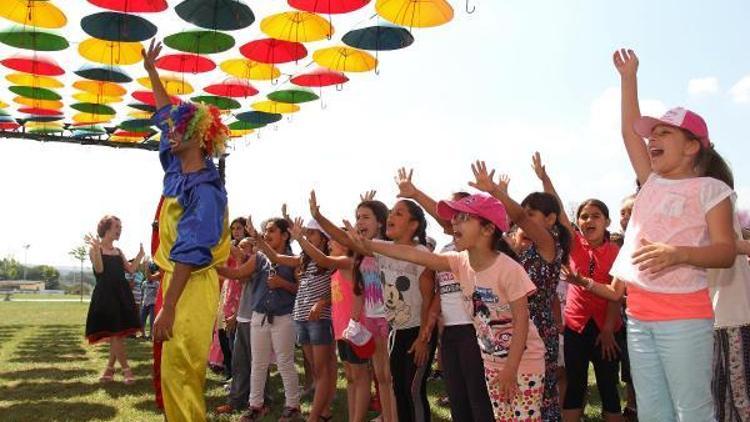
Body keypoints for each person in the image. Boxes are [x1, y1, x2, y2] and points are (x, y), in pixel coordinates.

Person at [568, 49, 736, 422]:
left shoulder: (711, 190)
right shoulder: (651, 181)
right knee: (653, 411)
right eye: (652, 135)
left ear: (692, 145)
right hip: (639, 315)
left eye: (664, 133)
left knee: (692, 410)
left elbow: (725, 251)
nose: (651, 140)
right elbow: (629, 132)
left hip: (684, 316)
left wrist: (679, 253)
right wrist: (629, 79)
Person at [345, 168, 546, 420]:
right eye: (455, 218)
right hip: (492, 361)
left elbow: (522, 322)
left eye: (463, 219)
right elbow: (415, 255)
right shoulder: (459, 261)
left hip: (523, 362)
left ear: (486, 230)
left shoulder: (508, 269)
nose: (454, 223)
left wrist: (511, 367)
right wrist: (369, 245)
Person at [142, 40, 232, 422]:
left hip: (191, 285)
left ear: (198, 139)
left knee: (181, 369)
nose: (169, 134)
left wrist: (171, 307)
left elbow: (191, 251)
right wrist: (151, 70)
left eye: (178, 130)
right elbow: (165, 113)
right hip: (174, 282)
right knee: (171, 370)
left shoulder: (206, 192)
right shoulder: (178, 171)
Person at [393, 169, 494, 422]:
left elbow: (443, 221)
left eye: (460, 214)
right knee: (457, 398)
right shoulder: (448, 251)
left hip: (474, 331)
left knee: (478, 398)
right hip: (448, 331)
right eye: (453, 214)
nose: (453, 220)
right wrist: (429, 325)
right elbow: (442, 291)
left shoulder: (477, 249)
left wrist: (416, 195)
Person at [311, 191, 398, 422]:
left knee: (389, 379)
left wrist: (319, 217)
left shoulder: (381, 247)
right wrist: (356, 320)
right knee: (381, 378)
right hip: (371, 320)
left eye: (366, 217)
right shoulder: (361, 255)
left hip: (390, 321)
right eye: (358, 216)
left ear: (381, 221)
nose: (360, 221)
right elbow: (360, 291)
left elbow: (342, 237)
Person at [255, 215, 336, 422]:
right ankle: (323, 411)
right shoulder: (303, 260)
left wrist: (300, 239)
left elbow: (334, 288)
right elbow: (277, 258)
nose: (307, 236)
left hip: (319, 319)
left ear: (324, 238)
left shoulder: (328, 259)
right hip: (301, 317)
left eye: (311, 233)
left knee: (321, 369)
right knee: (317, 370)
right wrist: (259, 239)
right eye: (306, 233)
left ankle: (315, 415)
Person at [241, 217, 301, 422]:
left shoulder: (295, 259)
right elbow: (239, 273)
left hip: (284, 317)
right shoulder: (259, 258)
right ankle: (255, 406)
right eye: (265, 231)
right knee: (258, 363)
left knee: (285, 363)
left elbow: (300, 290)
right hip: (259, 316)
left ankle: (293, 406)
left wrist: (282, 283)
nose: (267, 234)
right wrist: (215, 267)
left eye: (272, 231)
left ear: (285, 235)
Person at [84, 215, 145, 385]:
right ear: (106, 228)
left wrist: (140, 255)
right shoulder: (96, 249)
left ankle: (109, 371)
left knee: (116, 333)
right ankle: (126, 370)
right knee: (116, 334)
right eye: (116, 226)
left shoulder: (118, 251)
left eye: (121, 227)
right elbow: (99, 270)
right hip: (106, 296)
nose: (119, 230)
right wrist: (96, 251)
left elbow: (132, 270)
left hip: (122, 295)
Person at [141, 261, 161, 340]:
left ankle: (151, 335)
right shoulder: (144, 283)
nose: (147, 276)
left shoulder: (156, 283)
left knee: (152, 320)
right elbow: (142, 292)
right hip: (145, 303)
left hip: (153, 303)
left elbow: (158, 293)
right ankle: (143, 334)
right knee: (142, 319)